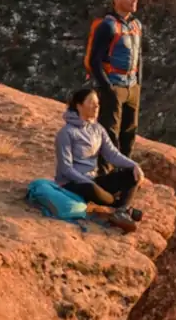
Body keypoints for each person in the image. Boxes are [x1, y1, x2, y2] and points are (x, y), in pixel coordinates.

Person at [56, 87, 143, 230]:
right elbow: (66, 169)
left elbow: (112, 154)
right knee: (94, 189)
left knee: (132, 174)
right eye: (91, 102)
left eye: (97, 103)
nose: (96, 106)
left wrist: (134, 165)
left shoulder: (98, 129)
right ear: (79, 106)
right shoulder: (66, 133)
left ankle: (122, 210)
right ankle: (122, 207)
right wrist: (88, 181)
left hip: (93, 180)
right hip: (73, 183)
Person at [83, 0, 144, 156]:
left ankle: (125, 168)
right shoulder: (108, 26)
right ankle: (104, 170)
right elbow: (95, 60)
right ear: (116, 0)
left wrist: (138, 83)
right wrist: (107, 87)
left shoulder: (136, 25)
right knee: (109, 132)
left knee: (129, 132)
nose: (134, 1)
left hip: (132, 86)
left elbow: (139, 55)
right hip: (114, 84)